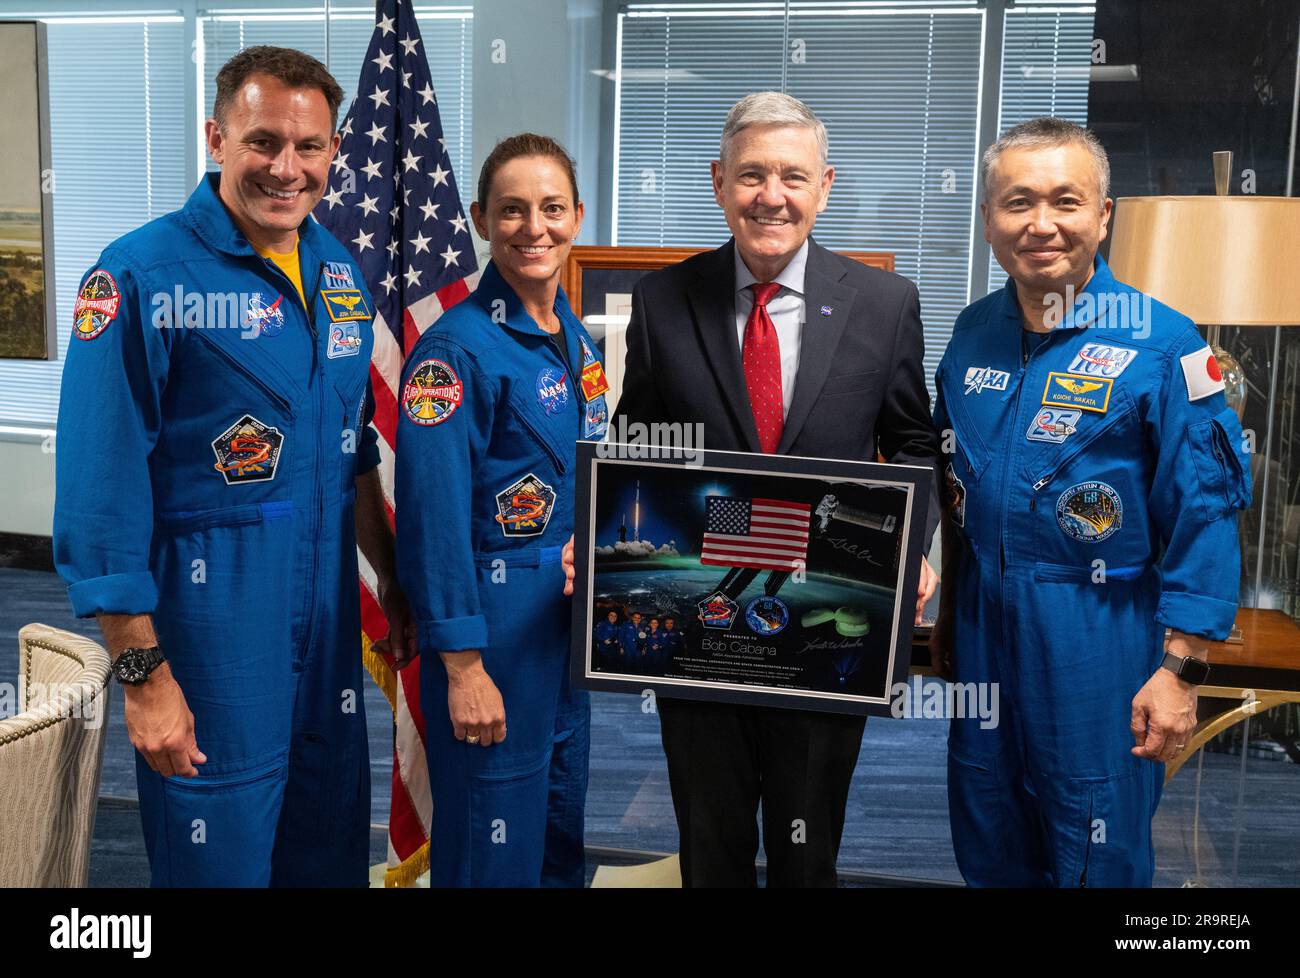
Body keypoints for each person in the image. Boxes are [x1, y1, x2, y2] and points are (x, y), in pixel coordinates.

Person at [53, 46, 411, 887]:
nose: (287, 168)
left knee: (324, 858)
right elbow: (98, 503)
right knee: (218, 865)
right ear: (217, 138)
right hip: (213, 645)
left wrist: (391, 581)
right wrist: (143, 679)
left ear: (333, 151)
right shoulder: (138, 276)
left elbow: (352, 447)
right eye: (263, 142)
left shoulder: (338, 273)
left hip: (327, 643)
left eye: (309, 146)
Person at [613, 92, 941, 887]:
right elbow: (637, 442)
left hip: (827, 616)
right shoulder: (662, 300)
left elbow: (913, 443)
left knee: (805, 850)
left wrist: (912, 547)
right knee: (711, 846)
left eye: (793, 176)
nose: (772, 196)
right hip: (703, 620)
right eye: (752, 174)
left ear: (824, 186)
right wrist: (603, 531)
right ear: (718, 181)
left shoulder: (885, 304)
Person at [929, 118, 1252, 887]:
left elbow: (1206, 515)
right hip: (982, 629)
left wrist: (1182, 669)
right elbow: (955, 487)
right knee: (986, 820)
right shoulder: (970, 335)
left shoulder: (1165, 346)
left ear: (1103, 215)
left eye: (1065, 201)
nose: (1041, 224)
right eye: (1018, 202)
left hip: (1098, 637)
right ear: (988, 219)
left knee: (1094, 842)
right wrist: (950, 612)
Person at [395, 133, 605, 888]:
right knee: (493, 852)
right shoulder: (454, 353)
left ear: (577, 216)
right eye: (512, 210)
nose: (533, 228)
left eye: (551, 208)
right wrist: (463, 667)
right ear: (482, 219)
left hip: (564, 637)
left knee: (555, 838)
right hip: (494, 635)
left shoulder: (572, 335)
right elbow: (432, 520)